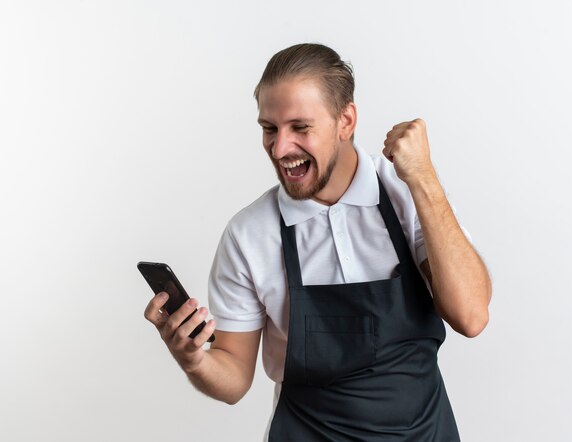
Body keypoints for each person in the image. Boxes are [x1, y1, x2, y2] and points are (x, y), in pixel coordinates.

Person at [144, 43, 492, 441]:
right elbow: (234, 378)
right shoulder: (249, 235)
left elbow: (471, 316)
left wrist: (424, 181)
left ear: (345, 121)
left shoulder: (408, 195)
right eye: (269, 129)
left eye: (300, 127)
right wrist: (192, 360)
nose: (280, 149)